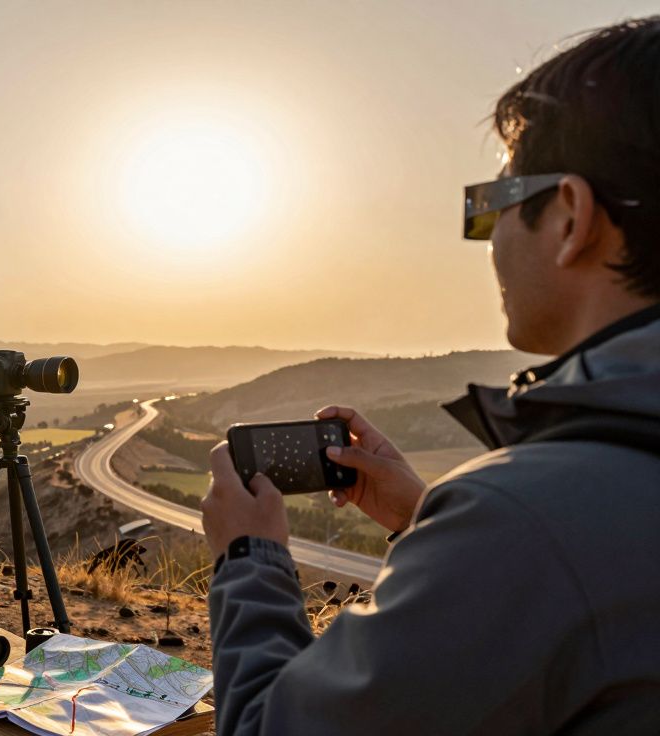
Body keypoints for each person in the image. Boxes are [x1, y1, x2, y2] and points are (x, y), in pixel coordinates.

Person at [201, 17, 660, 735]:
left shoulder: (525, 527)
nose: (487, 243)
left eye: (489, 208)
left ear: (570, 217)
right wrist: (428, 521)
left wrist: (248, 556)